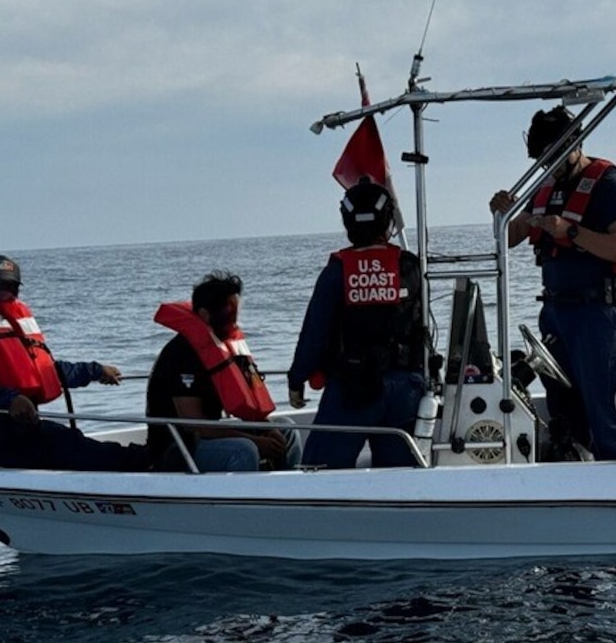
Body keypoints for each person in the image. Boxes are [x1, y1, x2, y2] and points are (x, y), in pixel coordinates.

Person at [489, 105, 616, 461]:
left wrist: (570, 231)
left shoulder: (610, 185)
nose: (548, 166)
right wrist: (503, 214)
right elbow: (509, 237)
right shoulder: (543, 187)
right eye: (542, 159)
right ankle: (574, 477)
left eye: (553, 157)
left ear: (575, 143)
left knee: (609, 413)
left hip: (598, 316)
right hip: (556, 314)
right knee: (564, 414)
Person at [0, 254, 146, 470]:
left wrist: (94, 371)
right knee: (63, 444)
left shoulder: (11, 327)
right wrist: (10, 400)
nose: (3, 295)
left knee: (67, 439)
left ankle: (145, 459)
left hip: (15, 430)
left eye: (10, 289)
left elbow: (43, 371)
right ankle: (143, 463)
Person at [287, 178, 428, 468]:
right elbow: (422, 327)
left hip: (352, 388)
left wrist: (296, 378)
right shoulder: (411, 267)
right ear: (388, 220)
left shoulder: (336, 273)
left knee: (319, 471)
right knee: (401, 474)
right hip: (405, 386)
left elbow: (315, 334)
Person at [147, 271, 302, 472]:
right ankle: (242, 500)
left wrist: (268, 430)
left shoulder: (225, 346)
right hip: (180, 445)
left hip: (208, 435)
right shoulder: (181, 354)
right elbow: (193, 423)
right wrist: (255, 440)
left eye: (237, 309)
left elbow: (247, 407)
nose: (235, 318)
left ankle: (286, 491)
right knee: (244, 449)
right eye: (229, 312)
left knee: (286, 430)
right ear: (205, 314)